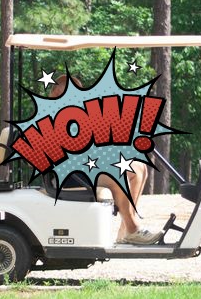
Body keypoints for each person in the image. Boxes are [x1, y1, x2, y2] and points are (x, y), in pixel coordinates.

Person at [48, 74, 162, 245]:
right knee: (118, 174)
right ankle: (134, 229)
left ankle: (125, 232)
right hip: (68, 175)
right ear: (56, 94)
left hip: (83, 169)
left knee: (139, 169)